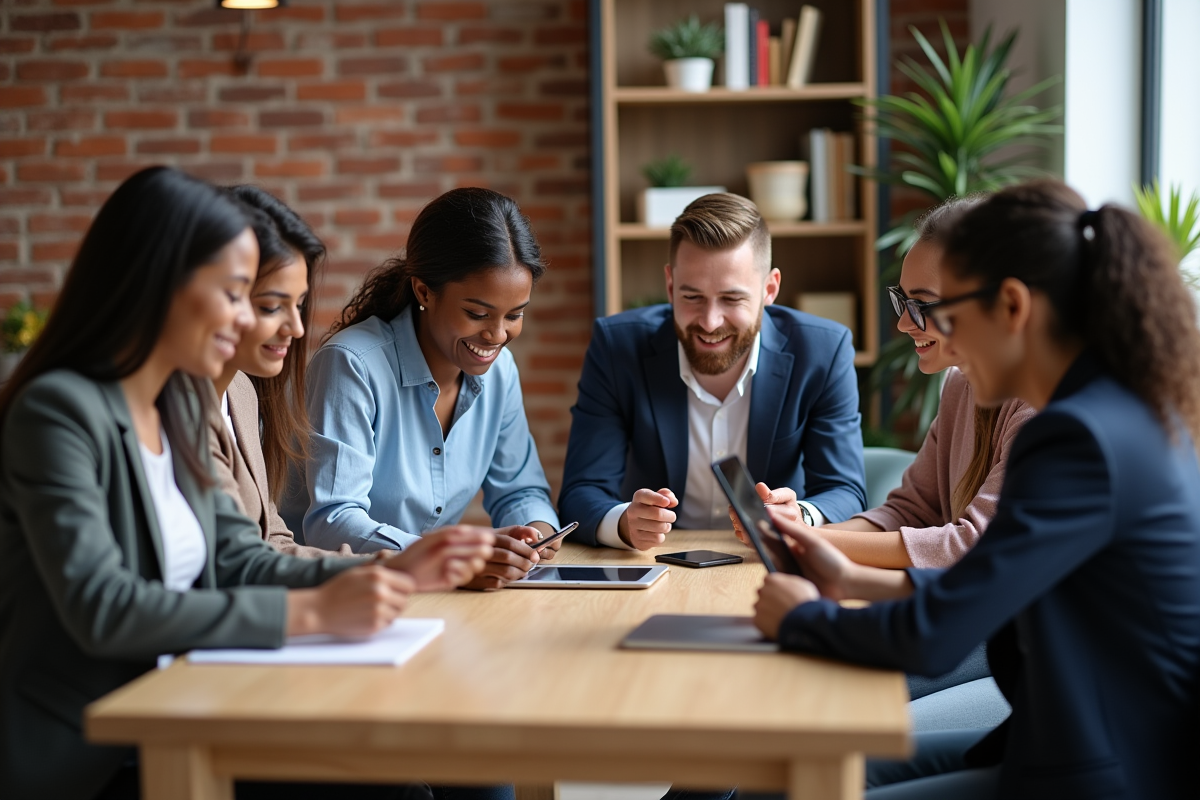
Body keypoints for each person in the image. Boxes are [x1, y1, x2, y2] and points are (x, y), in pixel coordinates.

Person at [0, 167, 493, 800]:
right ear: (161, 285)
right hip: (95, 748)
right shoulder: (59, 410)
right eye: (239, 295)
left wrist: (396, 573)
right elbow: (105, 607)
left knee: (422, 774)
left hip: (194, 700)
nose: (248, 322)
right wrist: (313, 610)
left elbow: (237, 554)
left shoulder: (176, 405)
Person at [753, 179, 1200, 799]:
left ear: (1013, 307)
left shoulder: (1075, 436)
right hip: (1065, 740)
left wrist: (803, 617)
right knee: (779, 777)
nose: (949, 343)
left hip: (1108, 772)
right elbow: (993, 579)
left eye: (952, 317)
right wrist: (849, 580)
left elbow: (938, 633)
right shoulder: (1115, 408)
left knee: (789, 786)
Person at [281, 187, 560, 590]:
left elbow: (520, 487)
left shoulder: (500, 373)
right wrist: (449, 560)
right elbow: (333, 522)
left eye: (515, 315)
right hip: (331, 593)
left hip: (422, 593)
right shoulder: (351, 364)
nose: (498, 334)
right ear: (424, 291)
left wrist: (534, 533)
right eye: (477, 313)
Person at [738, 197, 1035, 571]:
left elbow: (970, 545)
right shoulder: (960, 384)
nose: (903, 325)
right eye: (902, 301)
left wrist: (807, 539)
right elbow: (911, 510)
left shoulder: (1037, 408)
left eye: (922, 306)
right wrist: (796, 528)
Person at [558, 192, 866, 551]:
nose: (709, 322)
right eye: (692, 298)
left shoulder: (823, 352)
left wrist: (802, 516)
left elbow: (845, 490)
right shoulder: (616, 348)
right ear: (671, 285)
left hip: (767, 563)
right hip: (656, 562)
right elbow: (581, 491)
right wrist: (623, 522)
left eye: (732, 299)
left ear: (770, 289)